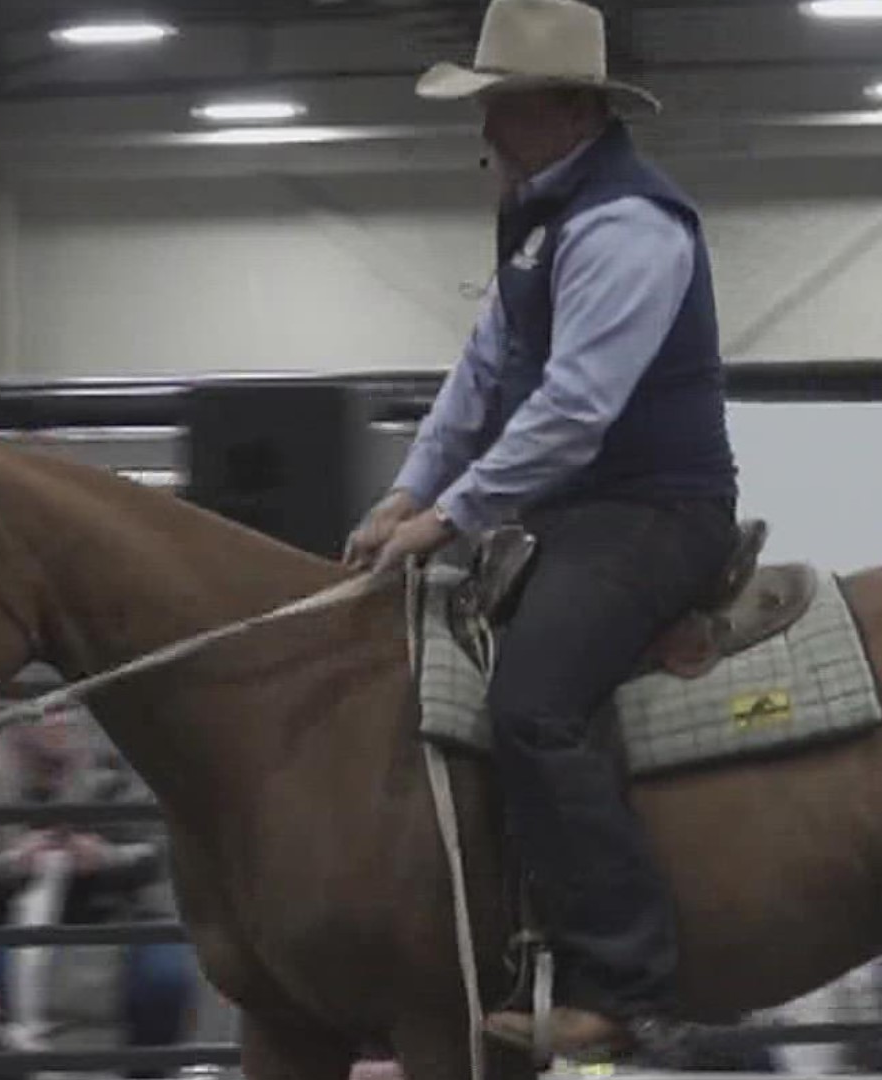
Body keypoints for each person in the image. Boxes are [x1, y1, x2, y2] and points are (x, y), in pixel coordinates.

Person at [341, 0, 741, 1063]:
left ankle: (628, 980)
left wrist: (447, 517)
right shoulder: (543, 216)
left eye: (501, 104)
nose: (483, 129)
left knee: (534, 703)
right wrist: (405, 489)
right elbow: (482, 372)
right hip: (578, 512)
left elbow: (572, 409)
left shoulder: (628, 226)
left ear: (565, 106)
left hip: (655, 511)